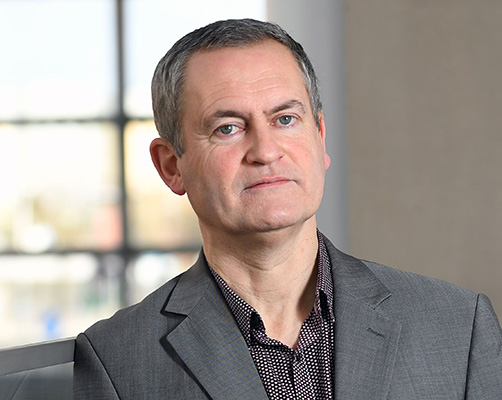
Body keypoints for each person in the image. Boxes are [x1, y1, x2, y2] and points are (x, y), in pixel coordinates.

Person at [73, 19, 502, 399]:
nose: (265, 151)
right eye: (228, 128)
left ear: (320, 136)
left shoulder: (458, 327)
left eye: (285, 119)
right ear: (171, 166)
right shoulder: (118, 361)